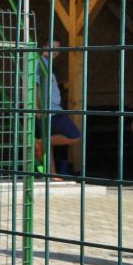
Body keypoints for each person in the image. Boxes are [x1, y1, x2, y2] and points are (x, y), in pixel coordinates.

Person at [35, 40, 81, 175]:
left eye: (58, 48)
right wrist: (38, 108)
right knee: (74, 135)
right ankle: (39, 142)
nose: (55, 51)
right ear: (44, 46)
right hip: (50, 110)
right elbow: (36, 85)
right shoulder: (40, 62)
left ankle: (52, 174)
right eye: (52, 47)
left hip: (53, 109)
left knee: (50, 143)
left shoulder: (46, 63)